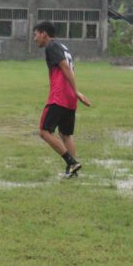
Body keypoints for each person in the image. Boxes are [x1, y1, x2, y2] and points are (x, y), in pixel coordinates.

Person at [33, 21, 92, 178]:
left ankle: (71, 162)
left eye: (36, 34)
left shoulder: (51, 46)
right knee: (66, 134)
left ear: (44, 34)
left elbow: (65, 67)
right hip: (69, 98)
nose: (35, 38)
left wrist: (77, 91)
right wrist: (74, 93)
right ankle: (72, 172)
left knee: (44, 131)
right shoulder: (62, 47)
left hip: (59, 97)